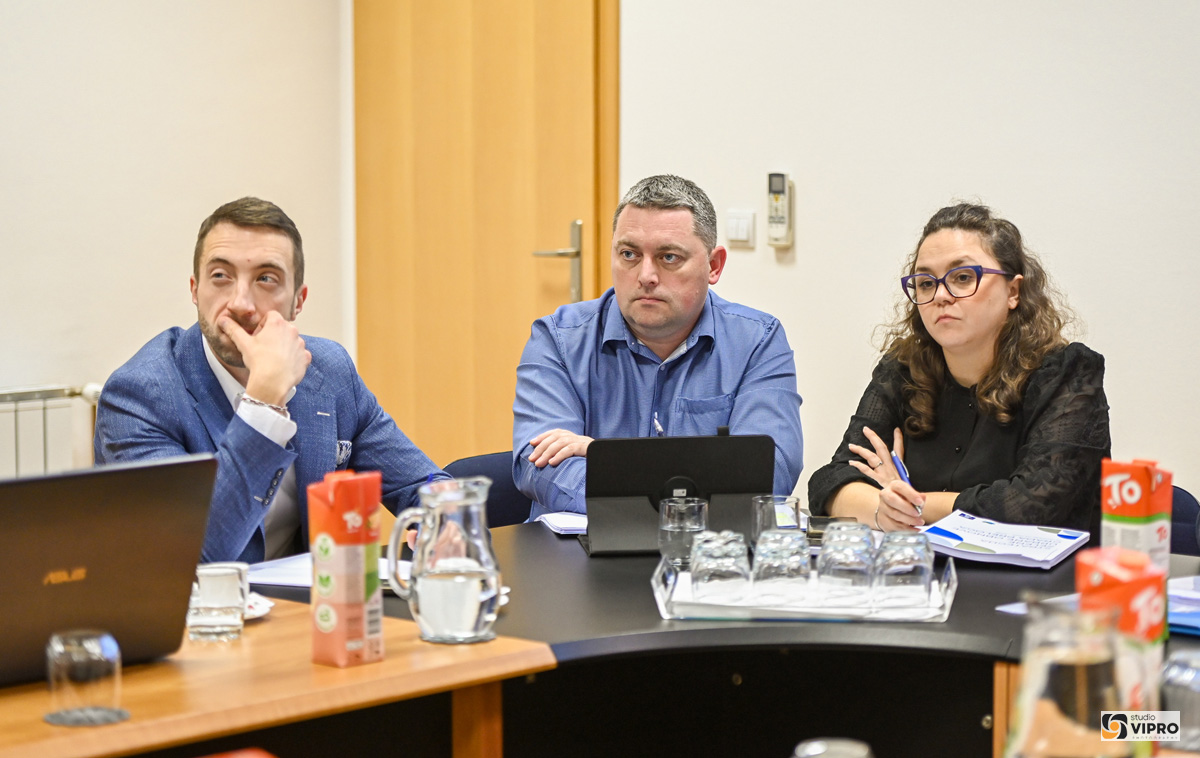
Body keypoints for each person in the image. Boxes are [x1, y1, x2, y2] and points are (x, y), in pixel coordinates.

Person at [95, 197, 445, 563]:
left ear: (298, 300)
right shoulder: (139, 395)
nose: (241, 303)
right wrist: (263, 404)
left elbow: (423, 485)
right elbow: (191, 556)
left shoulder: (330, 371)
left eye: (266, 279)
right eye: (220, 276)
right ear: (195, 290)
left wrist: (446, 521)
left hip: (308, 597)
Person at [807, 203, 1109, 537]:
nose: (940, 295)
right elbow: (830, 481)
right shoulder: (903, 368)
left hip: (1040, 572)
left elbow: (1029, 506)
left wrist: (912, 503)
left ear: (1013, 291)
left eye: (962, 278)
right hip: (921, 566)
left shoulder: (1068, 373)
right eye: (926, 283)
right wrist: (883, 509)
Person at [513, 174, 803, 518]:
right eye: (629, 254)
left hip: (706, 547)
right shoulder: (558, 339)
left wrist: (606, 457)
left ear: (713, 266)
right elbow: (539, 467)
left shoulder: (757, 341)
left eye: (668, 257)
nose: (645, 276)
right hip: (578, 546)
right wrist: (688, 483)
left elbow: (770, 472)